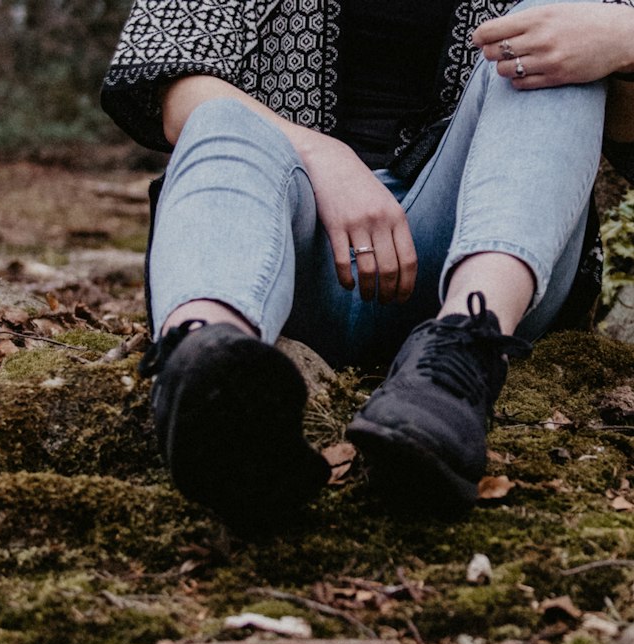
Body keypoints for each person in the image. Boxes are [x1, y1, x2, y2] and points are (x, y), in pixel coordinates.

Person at [101, 0, 634, 536]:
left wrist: (625, 38)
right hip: (286, 248)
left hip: (478, 252)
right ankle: (206, 371)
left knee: (544, 47)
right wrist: (321, 155)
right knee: (217, 117)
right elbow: (171, 80)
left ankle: (460, 357)